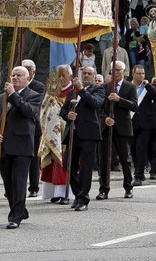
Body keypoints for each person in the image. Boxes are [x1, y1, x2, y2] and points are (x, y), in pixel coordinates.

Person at [0, 66, 41, 229]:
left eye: (19, 75)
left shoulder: (34, 96)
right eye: (13, 75)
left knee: (18, 182)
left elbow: (28, 111)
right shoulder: (1, 98)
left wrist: (13, 95)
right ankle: (20, 209)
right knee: (9, 185)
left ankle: (15, 217)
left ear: (27, 78)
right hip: (5, 146)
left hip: (23, 145)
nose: (15, 78)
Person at [60, 66, 106, 211]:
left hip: (89, 134)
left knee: (86, 168)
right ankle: (77, 193)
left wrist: (81, 90)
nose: (86, 75)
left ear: (94, 76)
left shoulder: (98, 89)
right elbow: (63, 110)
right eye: (84, 73)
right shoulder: (71, 92)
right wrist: (68, 115)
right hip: (73, 133)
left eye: (89, 74)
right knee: (69, 165)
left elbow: (95, 103)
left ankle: (83, 198)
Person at [97, 61, 136, 198]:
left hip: (123, 128)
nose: (116, 73)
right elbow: (100, 108)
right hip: (107, 128)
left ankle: (128, 187)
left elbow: (134, 105)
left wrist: (120, 99)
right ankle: (103, 188)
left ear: (123, 72)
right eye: (113, 70)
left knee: (125, 159)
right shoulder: (105, 87)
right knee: (105, 159)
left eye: (118, 70)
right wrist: (105, 118)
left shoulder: (130, 87)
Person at [39, 65, 75, 204]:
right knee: (53, 163)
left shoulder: (74, 91)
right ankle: (53, 192)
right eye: (58, 76)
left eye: (63, 76)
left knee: (65, 163)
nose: (61, 79)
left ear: (70, 77)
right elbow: (43, 110)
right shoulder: (51, 91)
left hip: (66, 133)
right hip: (52, 134)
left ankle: (65, 193)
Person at [131, 65, 156, 185]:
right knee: (134, 149)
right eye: (139, 73)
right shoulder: (128, 86)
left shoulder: (148, 88)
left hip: (146, 125)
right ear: (133, 74)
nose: (141, 75)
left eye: (143, 73)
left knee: (141, 149)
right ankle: (138, 170)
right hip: (132, 123)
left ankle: (138, 175)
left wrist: (149, 86)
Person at [22, 59, 46, 198]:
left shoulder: (39, 86)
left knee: (33, 158)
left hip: (33, 126)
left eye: (28, 69)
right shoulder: (15, 84)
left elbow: (35, 104)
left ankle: (33, 187)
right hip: (17, 127)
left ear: (33, 72)